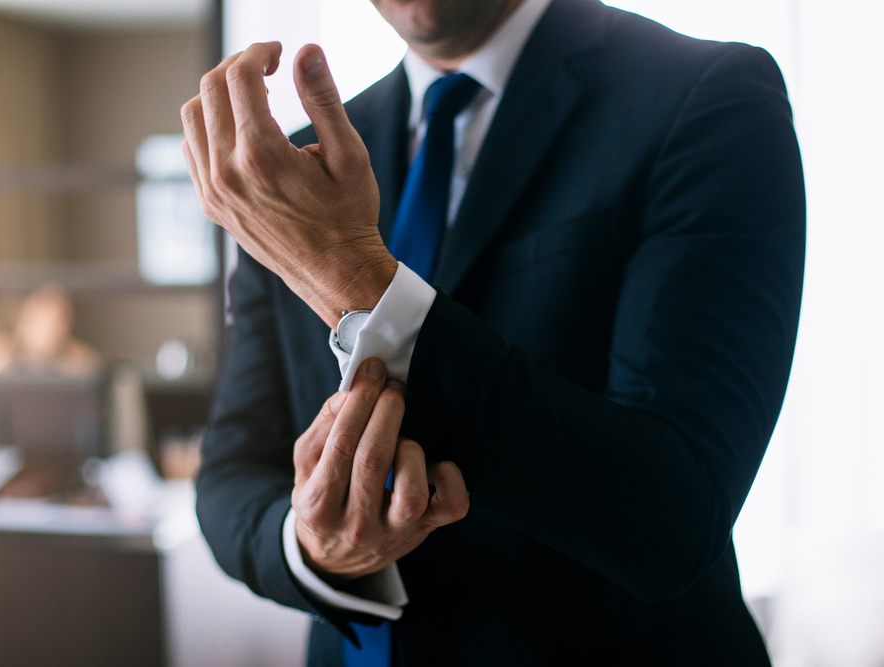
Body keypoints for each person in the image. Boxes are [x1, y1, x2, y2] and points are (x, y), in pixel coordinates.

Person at [181, 0, 805, 663]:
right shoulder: (292, 171)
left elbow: (675, 514)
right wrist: (309, 547)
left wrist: (353, 277)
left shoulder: (709, 98)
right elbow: (232, 471)